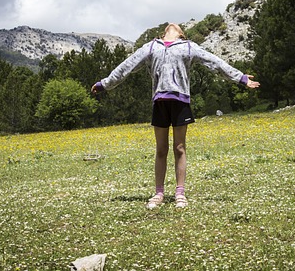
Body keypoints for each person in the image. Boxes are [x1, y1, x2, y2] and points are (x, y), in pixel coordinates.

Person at [91, 23, 260, 209]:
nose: (173, 24)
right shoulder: (150, 47)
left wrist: (241, 78)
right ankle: (159, 193)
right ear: (164, 32)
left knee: (179, 148)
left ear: (181, 33)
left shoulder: (189, 46)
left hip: (181, 101)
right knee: (161, 149)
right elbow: (127, 66)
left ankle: (180, 193)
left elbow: (215, 62)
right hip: (160, 101)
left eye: (177, 26)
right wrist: (104, 84)